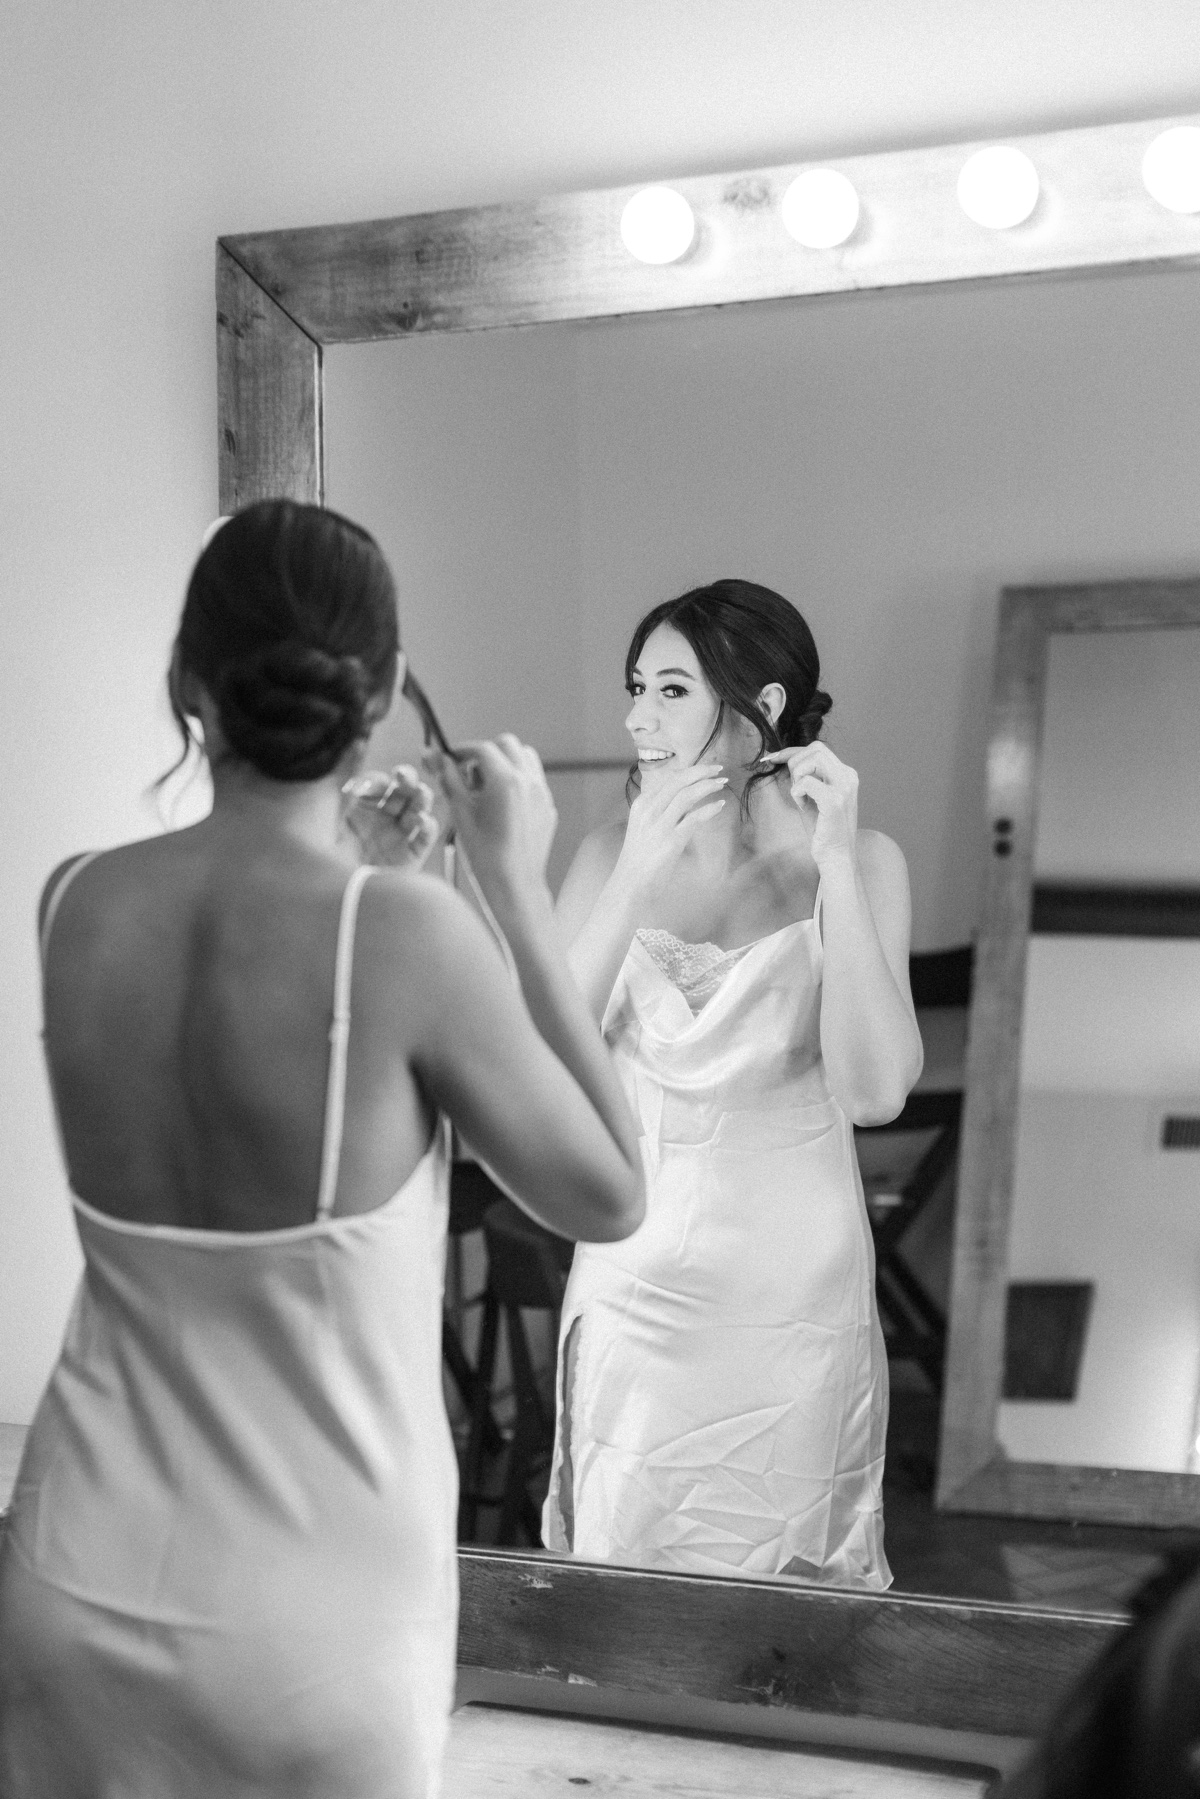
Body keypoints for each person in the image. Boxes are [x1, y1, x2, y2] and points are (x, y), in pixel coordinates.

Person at [0, 500, 643, 1798]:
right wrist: (510, 884)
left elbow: (237, 970)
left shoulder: (74, 899)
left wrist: (378, 875)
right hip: (316, 1624)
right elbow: (611, 1189)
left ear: (188, 678)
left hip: (68, 1571)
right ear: (390, 690)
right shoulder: (405, 935)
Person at [541, 578, 922, 1586]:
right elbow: (542, 1061)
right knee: (621, 1579)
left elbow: (876, 1089)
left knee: (787, 1598)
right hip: (635, 1285)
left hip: (793, 1297)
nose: (636, 716)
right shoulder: (601, 854)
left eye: (671, 688)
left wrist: (834, 866)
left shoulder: (867, 861)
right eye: (637, 685)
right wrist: (630, 875)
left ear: (761, 705)